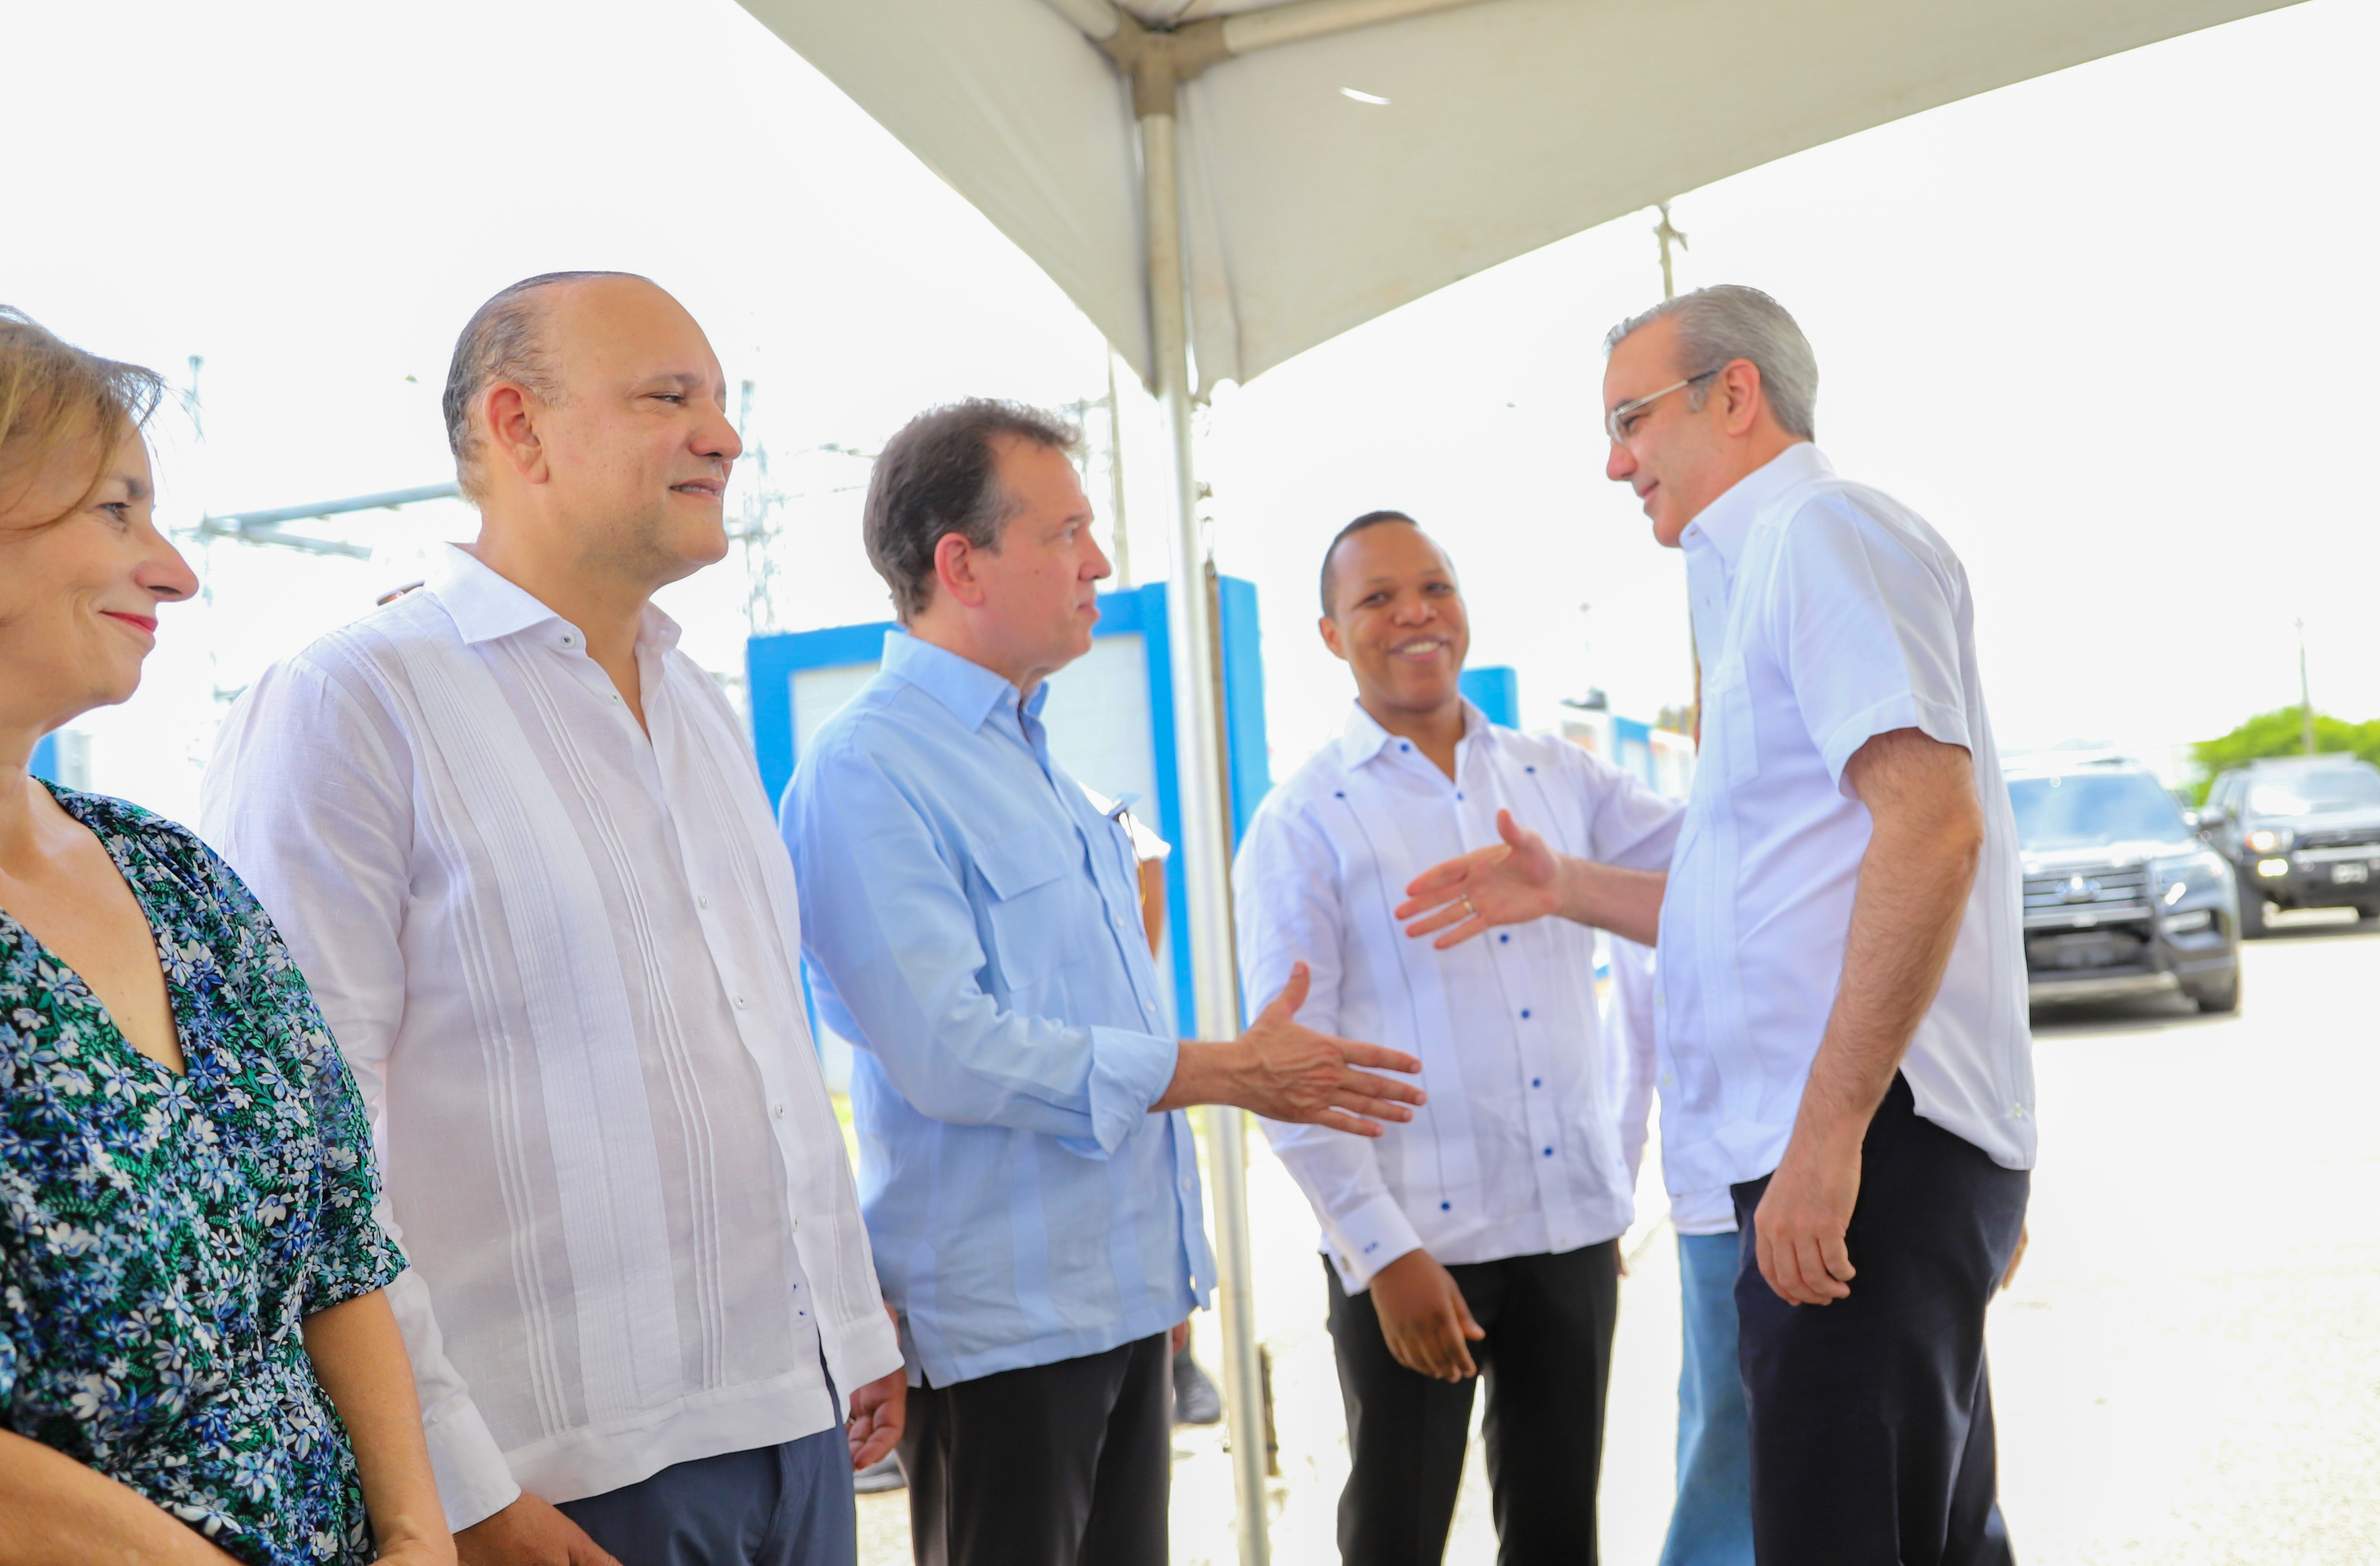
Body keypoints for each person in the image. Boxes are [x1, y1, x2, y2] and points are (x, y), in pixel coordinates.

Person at [201, 273, 904, 1566]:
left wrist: (850, 1325)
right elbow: (294, 1150)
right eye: (668, 397)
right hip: (550, 1476)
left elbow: (765, 1044)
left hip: (795, 1427)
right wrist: (456, 1487)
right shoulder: (351, 703)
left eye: (720, 401)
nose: (723, 437)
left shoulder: (694, 701)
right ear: (517, 426)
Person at [1399, 285, 2032, 1566]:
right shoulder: (1764, 570)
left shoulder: (1817, 534)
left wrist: (1828, 1140)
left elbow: (1931, 830)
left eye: (1629, 419)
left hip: (1855, 1150)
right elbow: (1775, 902)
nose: (1613, 461)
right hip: (1851, 1151)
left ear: (1733, 395)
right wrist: (1568, 888)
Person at [782, 399, 1425, 1566]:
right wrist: (1225, 1070)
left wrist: (1168, 1270)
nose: (1100, 563)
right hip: (1006, 1337)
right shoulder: (869, 769)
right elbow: (951, 1052)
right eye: (1067, 532)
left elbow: (1093, 1017)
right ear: (961, 564)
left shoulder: (1040, 766)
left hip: (1119, 1312)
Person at [0, 308, 451, 1566]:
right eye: (116, 511)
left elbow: (339, 1245)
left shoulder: (176, 879)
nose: (175, 573)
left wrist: (417, 1533)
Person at [1233, 512, 1681, 1566]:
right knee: (1397, 1536)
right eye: (1376, 598)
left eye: (1434, 586)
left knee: (1559, 1535)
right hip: (1416, 1248)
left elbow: (1712, 875)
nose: (1415, 614)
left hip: (1568, 1231)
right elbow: (1291, 1070)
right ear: (1331, 635)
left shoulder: (1557, 776)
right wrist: (1383, 1253)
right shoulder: (1304, 820)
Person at [1606, 935, 1753, 1566]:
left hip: (1862, 1181)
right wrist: (1612, 1195)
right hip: (1720, 1203)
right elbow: (1635, 1042)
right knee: (1724, 1417)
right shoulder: (1637, 879)